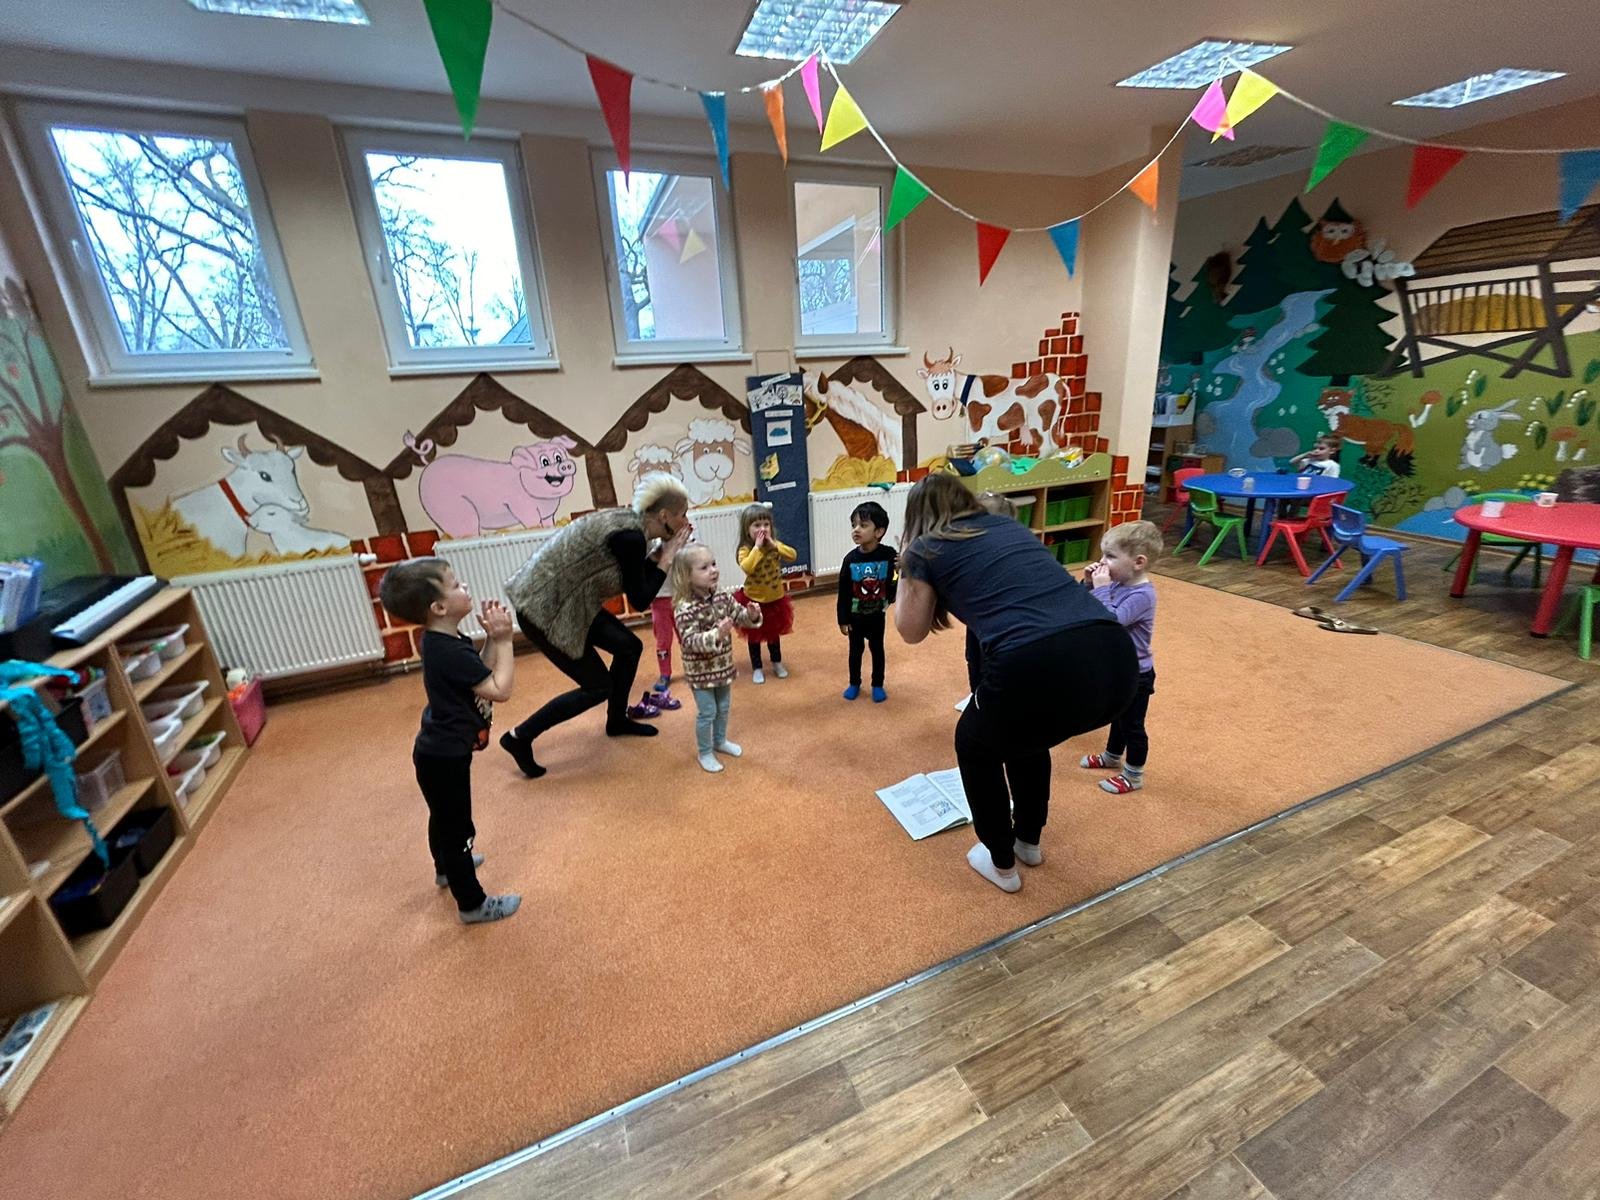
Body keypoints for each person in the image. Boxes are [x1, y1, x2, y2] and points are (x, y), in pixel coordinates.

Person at [894, 473, 1139, 893]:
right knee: (1025, 735)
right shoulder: (1009, 527)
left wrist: (907, 562)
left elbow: (910, 630)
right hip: (1116, 663)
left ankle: (1001, 862)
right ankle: (1028, 840)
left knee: (974, 743)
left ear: (917, 517)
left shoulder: (925, 547)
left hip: (1037, 662)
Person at [499, 473, 693, 779]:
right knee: (597, 686)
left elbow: (634, 578)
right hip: (543, 611)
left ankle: (616, 721)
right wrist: (667, 555)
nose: (685, 521)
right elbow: (641, 599)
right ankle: (519, 736)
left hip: (575, 603)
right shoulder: (630, 536)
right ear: (664, 516)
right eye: (682, 514)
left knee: (629, 647)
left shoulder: (635, 528)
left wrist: (660, 554)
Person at [377, 558, 521, 924]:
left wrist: (492, 640)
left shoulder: (443, 639)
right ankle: (472, 904)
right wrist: (506, 641)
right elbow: (499, 689)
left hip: (435, 751)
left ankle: (444, 868)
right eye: (456, 585)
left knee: (442, 817)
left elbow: (476, 673)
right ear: (439, 608)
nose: (465, 587)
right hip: (445, 756)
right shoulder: (448, 650)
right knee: (459, 831)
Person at [1079, 521, 1161, 794]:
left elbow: (1112, 620)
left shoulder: (1143, 595)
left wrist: (1102, 589)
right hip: (1118, 668)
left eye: (1111, 556)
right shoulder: (1116, 584)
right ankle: (1113, 756)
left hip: (1137, 673)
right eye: (1103, 555)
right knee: (1118, 716)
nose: (1103, 562)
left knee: (1132, 726)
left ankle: (1134, 775)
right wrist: (1089, 585)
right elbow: (1086, 608)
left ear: (1138, 562)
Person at [671, 545, 763, 773]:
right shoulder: (684, 608)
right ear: (687, 576)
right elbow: (689, 641)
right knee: (708, 712)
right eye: (704, 567)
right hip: (700, 672)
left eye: (713, 564)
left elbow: (738, 615)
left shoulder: (721, 595)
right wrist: (717, 634)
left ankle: (720, 741)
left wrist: (751, 615)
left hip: (722, 666)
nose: (713, 570)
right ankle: (704, 752)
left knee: (723, 707)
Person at [837, 500, 898, 702]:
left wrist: (899, 572)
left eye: (863, 525)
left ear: (879, 531)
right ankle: (854, 683)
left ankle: (877, 684)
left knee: (877, 649)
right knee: (855, 651)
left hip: (877, 616)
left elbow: (896, 580)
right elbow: (843, 592)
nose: (856, 529)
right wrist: (843, 619)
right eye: (854, 525)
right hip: (855, 618)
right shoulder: (850, 559)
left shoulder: (889, 555)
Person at [735, 503, 797, 683]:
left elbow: (792, 555)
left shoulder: (774, 545)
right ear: (747, 530)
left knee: (773, 634)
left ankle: (776, 662)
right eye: (756, 525)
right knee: (754, 636)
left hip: (775, 599)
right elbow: (747, 567)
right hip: (753, 600)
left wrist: (774, 545)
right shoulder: (745, 550)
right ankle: (757, 667)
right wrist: (757, 547)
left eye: (766, 524)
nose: (762, 529)